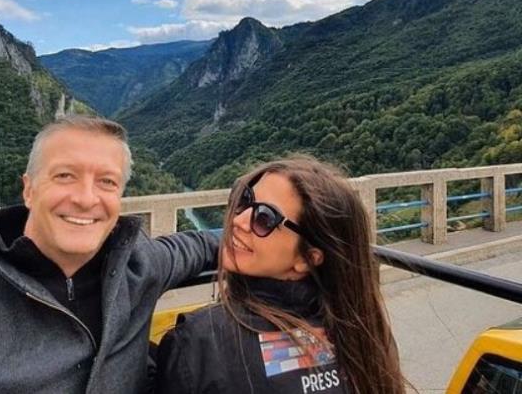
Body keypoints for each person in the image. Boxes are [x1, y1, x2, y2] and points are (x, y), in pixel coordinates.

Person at [0, 116, 219, 394]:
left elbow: (197, 246)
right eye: (65, 176)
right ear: (29, 190)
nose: (86, 198)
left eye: (107, 182)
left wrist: (246, 243)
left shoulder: (138, 266)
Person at [155, 156, 406, 394]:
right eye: (245, 199)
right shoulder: (368, 338)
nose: (238, 220)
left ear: (307, 258)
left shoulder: (200, 342)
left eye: (264, 218)